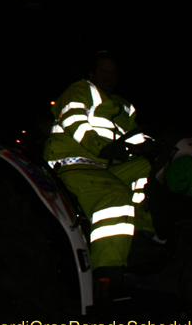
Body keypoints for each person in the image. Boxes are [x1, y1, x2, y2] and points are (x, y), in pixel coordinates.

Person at [43, 52, 153, 297]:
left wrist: (149, 149)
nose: (109, 77)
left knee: (152, 172)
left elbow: (134, 138)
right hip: (75, 160)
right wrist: (99, 147)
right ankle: (107, 272)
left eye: (113, 73)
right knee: (114, 197)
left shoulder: (125, 106)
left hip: (108, 165)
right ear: (92, 74)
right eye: (103, 71)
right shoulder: (80, 90)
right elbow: (73, 119)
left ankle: (144, 235)